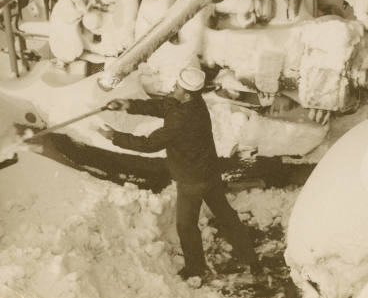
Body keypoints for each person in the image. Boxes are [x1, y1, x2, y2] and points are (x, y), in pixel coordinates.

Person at [97, 66, 259, 280]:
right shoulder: (194, 104)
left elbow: (148, 144)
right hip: (209, 172)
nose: (174, 88)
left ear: (187, 93)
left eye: (178, 87)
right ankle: (251, 259)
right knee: (226, 215)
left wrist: (114, 136)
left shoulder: (181, 120)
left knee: (186, 225)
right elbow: (166, 105)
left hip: (192, 180)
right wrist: (128, 105)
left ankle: (195, 270)